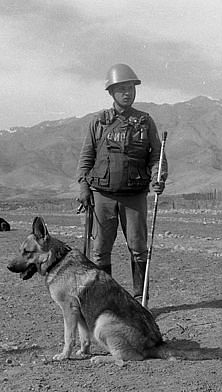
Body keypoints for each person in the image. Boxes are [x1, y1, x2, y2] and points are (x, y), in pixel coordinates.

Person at [76, 63, 168, 303]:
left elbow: (156, 156)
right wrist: (83, 187)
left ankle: (140, 299)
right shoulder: (99, 122)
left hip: (135, 196)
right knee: (100, 250)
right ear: (111, 92)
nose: (127, 93)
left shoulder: (145, 122)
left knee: (138, 248)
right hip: (102, 196)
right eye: (122, 89)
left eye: (130, 88)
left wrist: (159, 178)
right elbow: (86, 157)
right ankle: (104, 300)